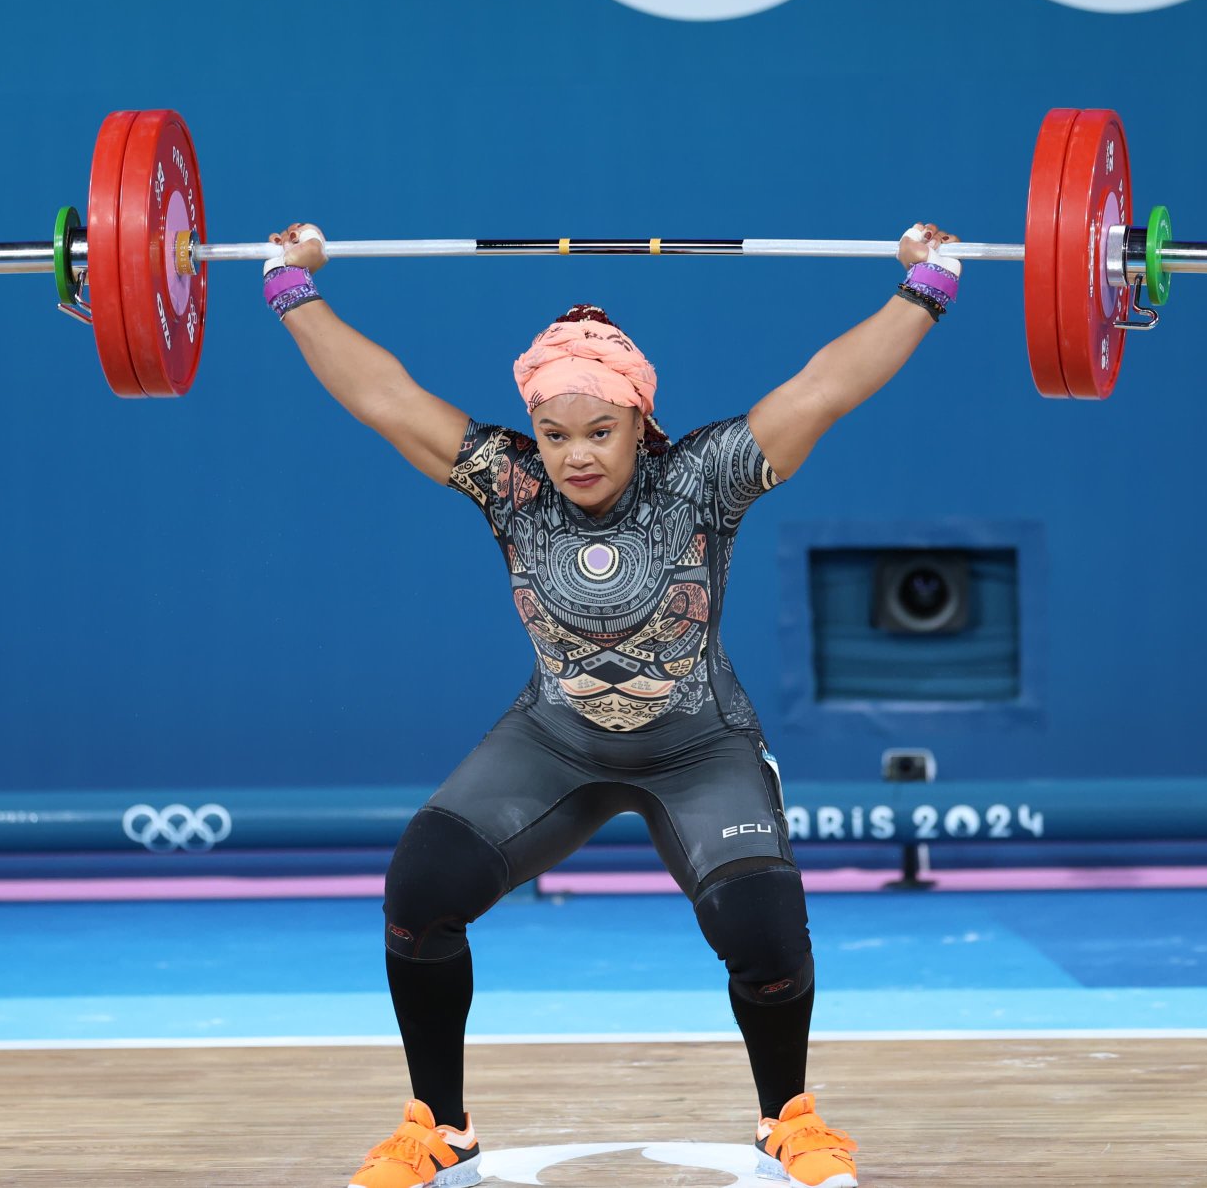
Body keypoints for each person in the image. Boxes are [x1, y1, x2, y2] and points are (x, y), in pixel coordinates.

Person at [261, 220, 961, 1188]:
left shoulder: (705, 479)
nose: (575, 455)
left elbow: (825, 387)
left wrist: (923, 286)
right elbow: (386, 398)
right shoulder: (508, 482)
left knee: (762, 933)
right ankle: (439, 1127)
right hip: (555, 742)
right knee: (420, 894)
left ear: (642, 421)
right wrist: (291, 288)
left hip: (698, 748)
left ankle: (787, 1119)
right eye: (555, 434)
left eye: (600, 431)